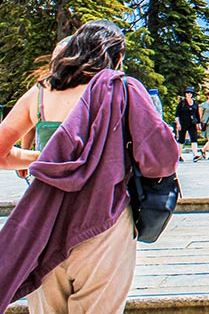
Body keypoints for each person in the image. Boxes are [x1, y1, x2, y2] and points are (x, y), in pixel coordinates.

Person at [0, 20, 179, 313]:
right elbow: (161, 161)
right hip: (103, 220)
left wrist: (43, 160)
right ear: (116, 56)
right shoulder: (123, 89)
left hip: (45, 221)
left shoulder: (41, 94)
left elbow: (1, 153)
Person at [175, 86, 202, 162]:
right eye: (187, 93)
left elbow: (197, 114)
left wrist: (198, 123)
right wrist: (178, 124)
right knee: (181, 139)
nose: (189, 94)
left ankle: (195, 154)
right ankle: (179, 155)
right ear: (185, 94)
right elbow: (177, 114)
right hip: (183, 123)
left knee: (194, 138)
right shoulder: (182, 103)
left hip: (192, 123)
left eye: (190, 93)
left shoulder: (195, 103)